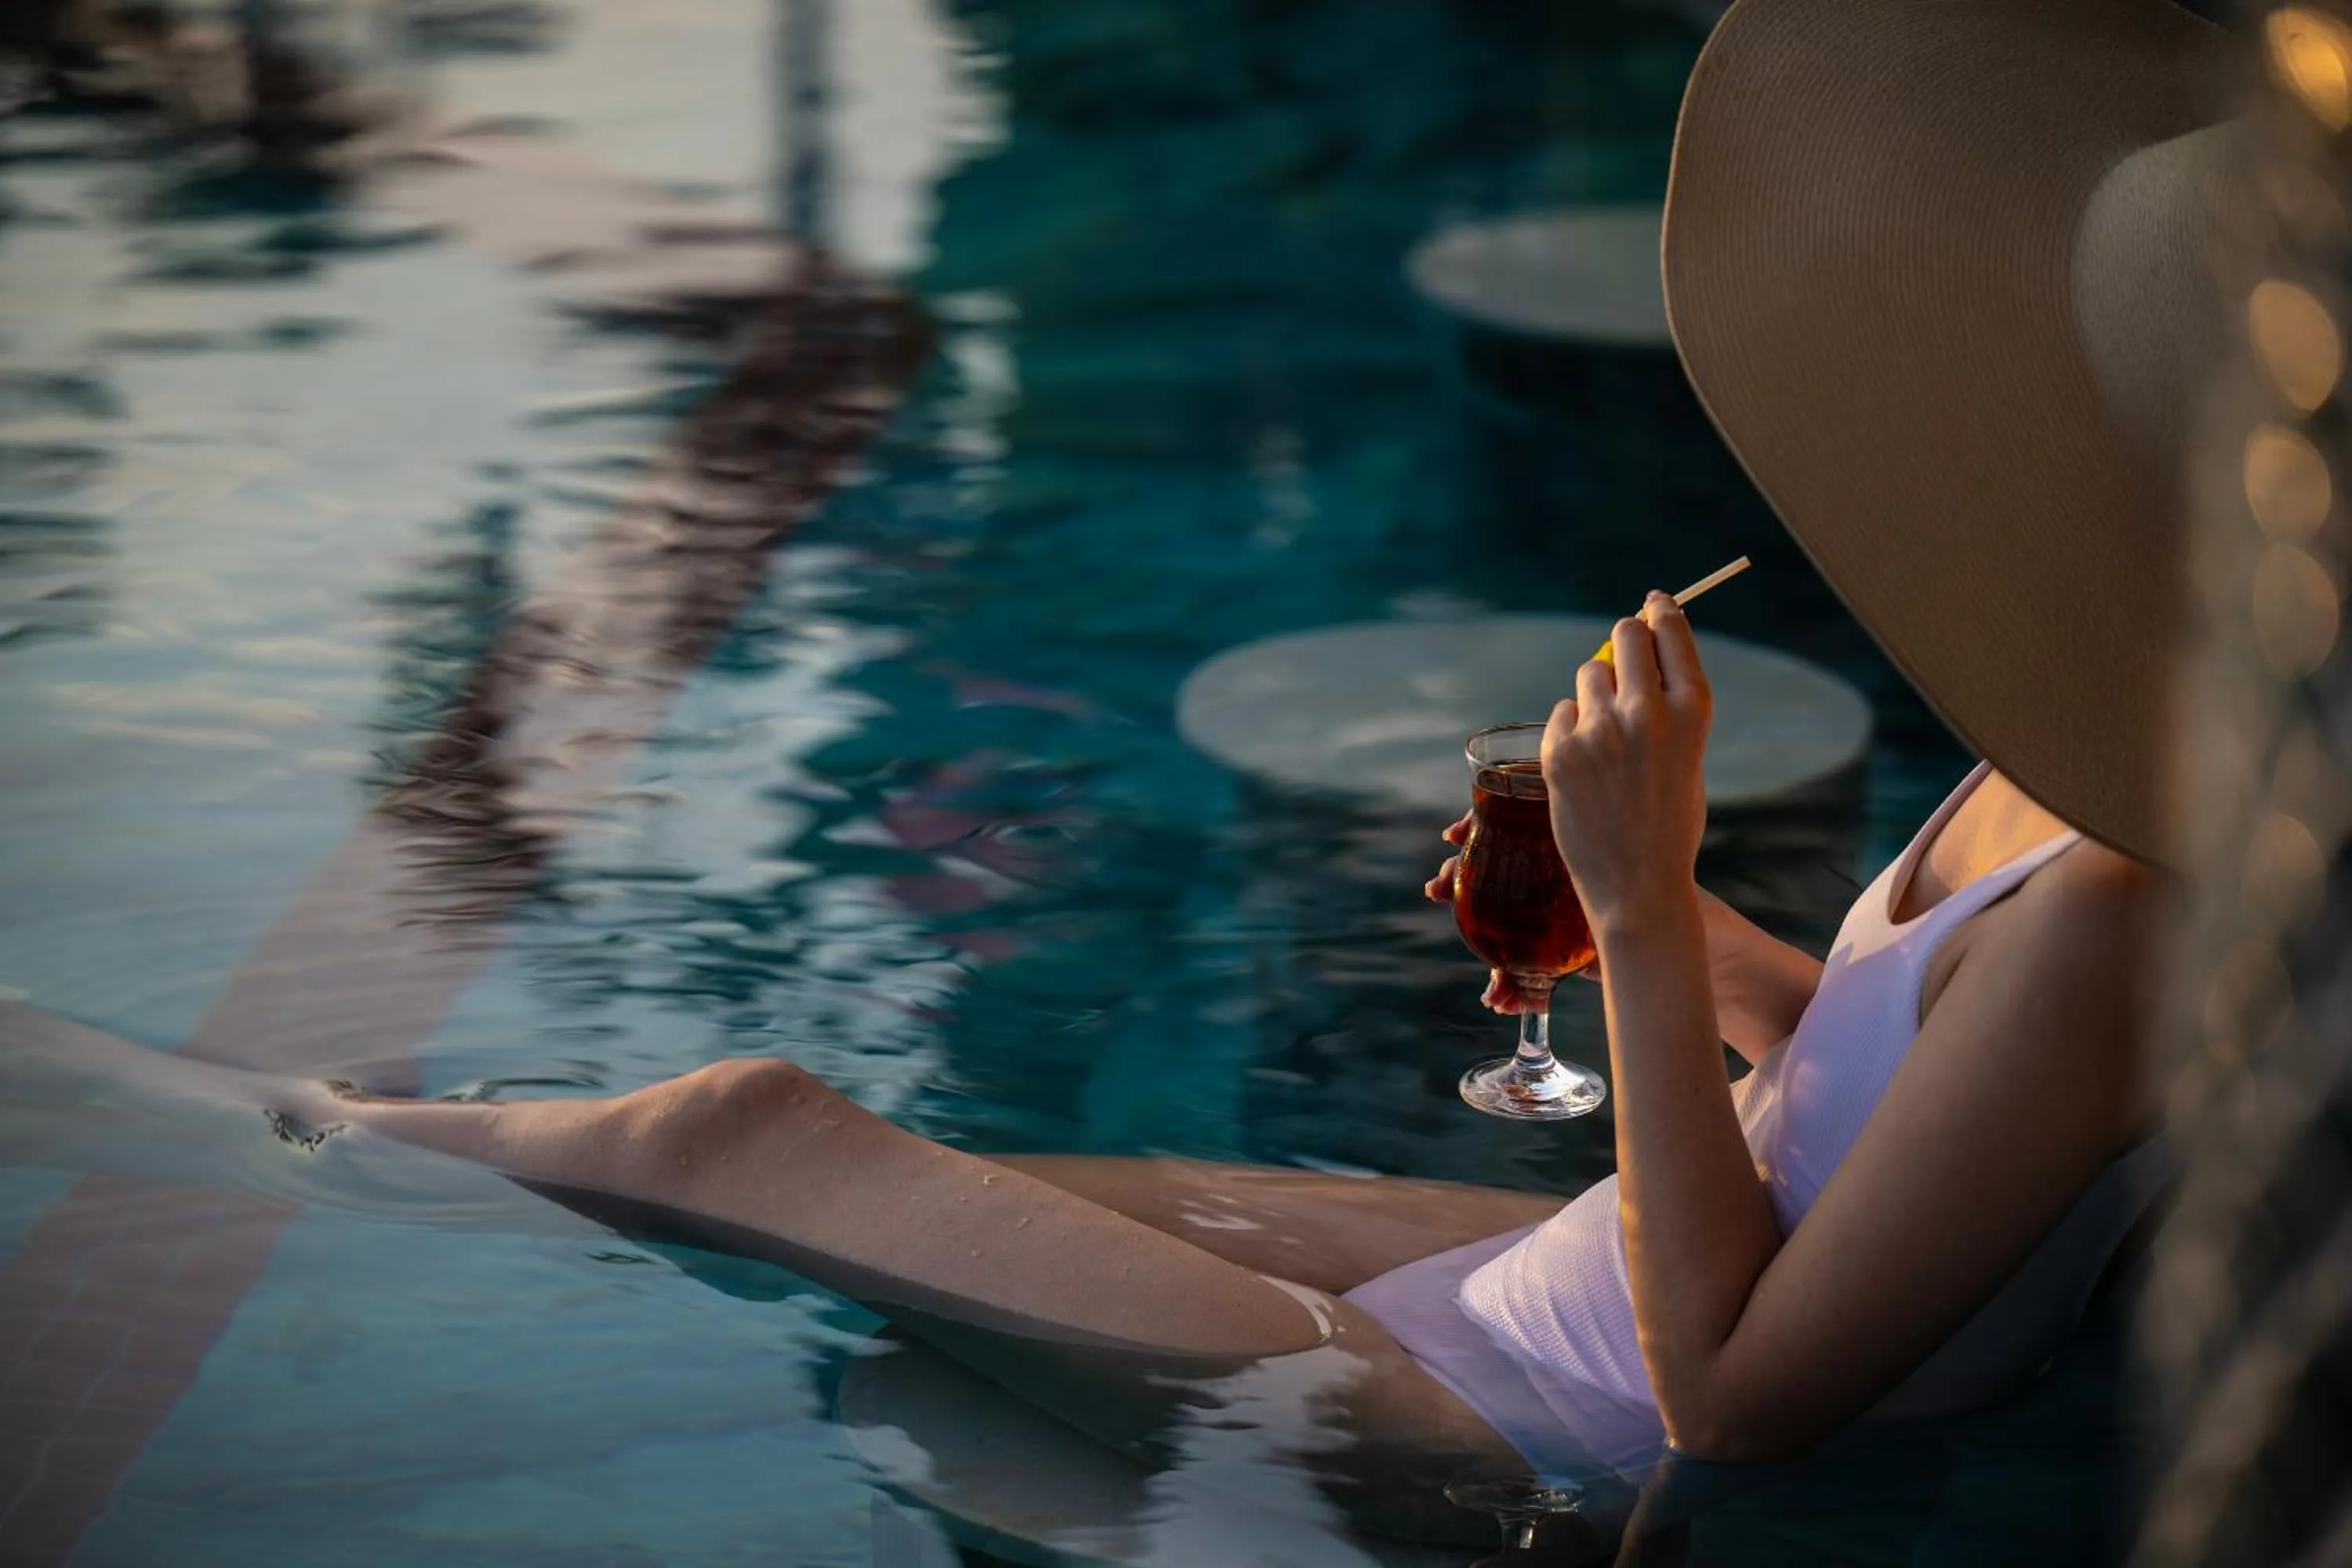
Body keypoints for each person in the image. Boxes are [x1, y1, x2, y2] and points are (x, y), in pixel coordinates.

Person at [0, 0, 2237, 1549]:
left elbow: (1742, 1404)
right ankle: (269, 1142)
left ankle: (233, 1140)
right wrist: (1657, 916)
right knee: (790, 1167)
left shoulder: (2127, 905)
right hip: (1543, 1276)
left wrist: (1649, 908)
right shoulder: (2065, 755)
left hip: (1519, 1412)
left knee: (741, 1129)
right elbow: (1874, 1102)